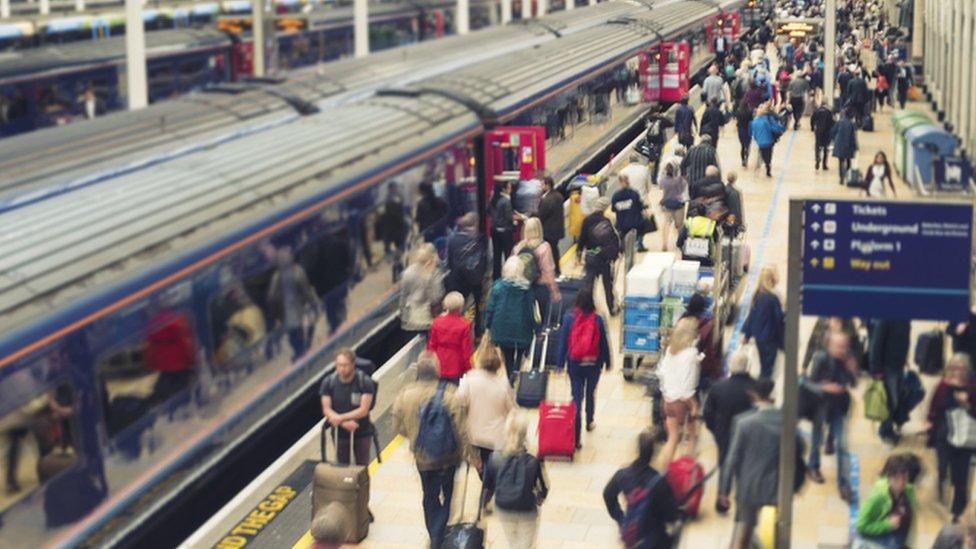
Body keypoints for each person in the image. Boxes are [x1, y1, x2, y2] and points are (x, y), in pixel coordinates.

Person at [392, 352, 478, 548]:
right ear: (437, 371)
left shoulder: (404, 395)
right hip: (449, 458)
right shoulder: (449, 394)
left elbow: (398, 427)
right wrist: (470, 454)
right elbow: (462, 430)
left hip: (423, 457)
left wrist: (415, 436)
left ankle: (434, 535)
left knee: (429, 496)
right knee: (448, 494)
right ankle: (438, 535)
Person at [718, 378, 805, 549]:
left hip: (748, 489)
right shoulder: (789, 424)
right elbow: (800, 452)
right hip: (776, 489)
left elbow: (731, 459)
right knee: (774, 534)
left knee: (742, 533)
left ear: (756, 396)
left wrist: (724, 491)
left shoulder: (744, 424)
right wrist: (796, 485)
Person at [456, 342, 515, 503]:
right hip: (496, 437)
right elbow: (512, 410)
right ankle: (489, 488)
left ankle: (487, 487)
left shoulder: (470, 379)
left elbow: (459, 401)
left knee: (480, 464)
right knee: (492, 464)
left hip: (474, 434)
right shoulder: (503, 383)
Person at [481, 411, 549, 549]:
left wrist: (485, 504)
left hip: (504, 508)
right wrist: (540, 498)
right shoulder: (533, 460)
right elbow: (544, 487)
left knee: (513, 543)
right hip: (526, 509)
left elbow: (488, 486)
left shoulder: (495, 458)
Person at [603, 430, 680, 548]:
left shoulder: (623, 475)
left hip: (633, 538)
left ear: (638, 450)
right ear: (653, 453)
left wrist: (621, 519)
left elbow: (608, 494)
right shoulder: (658, 481)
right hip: (655, 540)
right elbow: (671, 515)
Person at [556, 287, 611, 448]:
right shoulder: (598, 319)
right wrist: (608, 362)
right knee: (590, 392)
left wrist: (560, 364)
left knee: (576, 398)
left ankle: (576, 438)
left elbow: (563, 343)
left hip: (575, 364)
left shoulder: (568, 318)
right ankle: (590, 421)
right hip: (593, 364)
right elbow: (604, 343)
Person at [807, 331, 859, 501]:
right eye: (838, 346)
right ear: (829, 345)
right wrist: (825, 387)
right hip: (821, 406)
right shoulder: (821, 359)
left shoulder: (847, 359)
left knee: (842, 445)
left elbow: (853, 383)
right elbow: (809, 383)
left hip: (839, 407)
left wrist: (853, 371)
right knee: (816, 438)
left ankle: (843, 485)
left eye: (843, 346)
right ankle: (813, 466)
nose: (841, 350)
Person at [703, 348, 755, 514]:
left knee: (725, 465)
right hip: (747, 436)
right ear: (747, 366)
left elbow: (708, 414)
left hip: (724, 434)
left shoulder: (718, 388)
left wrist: (715, 431)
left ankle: (722, 500)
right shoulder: (754, 388)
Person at [927, 353, 976, 521]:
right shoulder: (943, 385)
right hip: (945, 434)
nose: (958, 372)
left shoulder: (972, 386)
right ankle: (941, 482)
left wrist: (968, 405)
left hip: (966, 439)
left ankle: (957, 511)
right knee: (942, 466)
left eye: (962, 368)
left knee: (961, 476)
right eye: (955, 368)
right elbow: (934, 409)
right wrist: (930, 424)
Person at [485, 256, 538, 384]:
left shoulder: (498, 286)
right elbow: (531, 311)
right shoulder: (526, 288)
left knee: (507, 353)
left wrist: (488, 325)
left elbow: (490, 308)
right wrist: (535, 327)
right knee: (520, 350)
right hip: (522, 326)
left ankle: (510, 376)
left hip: (502, 327)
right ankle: (517, 368)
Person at [320, 348, 377, 465]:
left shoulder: (364, 382)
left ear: (353, 364)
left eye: (345, 365)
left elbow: (363, 410)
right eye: (339, 365)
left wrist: (339, 418)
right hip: (340, 433)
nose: (342, 369)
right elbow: (326, 409)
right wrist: (343, 423)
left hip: (362, 431)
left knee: (362, 467)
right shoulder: (328, 382)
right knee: (342, 466)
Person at [658, 317, 701, 467]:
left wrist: (666, 394)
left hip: (668, 401)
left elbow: (662, 374)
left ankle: (665, 473)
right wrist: (693, 404)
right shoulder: (691, 353)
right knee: (691, 438)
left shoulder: (671, 350)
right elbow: (688, 385)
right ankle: (687, 474)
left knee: (672, 439)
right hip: (683, 403)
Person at [854, 454, 919, 548]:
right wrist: (886, 525)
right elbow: (860, 525)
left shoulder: (909, 491)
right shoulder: (879, 496)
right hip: (880, 543)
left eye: (904, 478)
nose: (901, 483)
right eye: (897, 478)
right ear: (889, 477)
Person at [267, 247, 321, 361]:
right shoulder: (297, 271)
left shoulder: (277, 276)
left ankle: (299, 352)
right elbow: (306, 290)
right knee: (297, 331)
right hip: (295, 309)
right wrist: (313, 304)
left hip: (287, 312)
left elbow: (271, 297)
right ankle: (301, 352)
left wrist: (275, 313)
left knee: (293, 333)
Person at [868, 319, 911, 443]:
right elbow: (876, 345)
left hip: (898, 367)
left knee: (895, 400)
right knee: (889, 401)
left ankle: (890, 427)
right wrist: (875, 369)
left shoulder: (905, 319)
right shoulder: (884, 319)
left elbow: (904, 342)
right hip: (887, 368)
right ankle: (885, 431)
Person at [512, 217, 561, 321]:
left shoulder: (518, 248)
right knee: (541, 318)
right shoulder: (545, 247)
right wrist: (554, 291)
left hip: (523, 287)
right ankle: (539, 335)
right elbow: (549, 271)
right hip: (540, 287)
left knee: (525, 319)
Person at [445, 212, 488, 330]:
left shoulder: (452, 239)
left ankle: (457, 329)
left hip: (458, 279)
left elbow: (448, 260)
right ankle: (479, 330)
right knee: (478, 305)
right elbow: (483, 259)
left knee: (458, 307)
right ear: (475, 224)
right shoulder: (479, 239)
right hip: (475, 279)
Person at [577, 197, 620, 316]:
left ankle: (587, 309)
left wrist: (579, 254)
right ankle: (612, 308)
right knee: (608, 285)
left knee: (589, 285)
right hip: (605, 259)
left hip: (591, 258)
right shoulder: (607, 221)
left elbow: (582, 240)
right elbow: (614, 241)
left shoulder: (587, 220)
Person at [741, 265, 784, 380]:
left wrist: (747, 335)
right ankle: (763, 393)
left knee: (763, 367)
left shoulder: (757, 296)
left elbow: (752, 316)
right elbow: (779, 319)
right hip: (770, 339)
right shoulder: (773, 298)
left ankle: (761, 390)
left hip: (759, 339)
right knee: (768, 370)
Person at [399, 243, 444, 341]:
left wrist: (402, 313)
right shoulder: (435, 273)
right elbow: (436, 297)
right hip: (427, 320)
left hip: (411, 319)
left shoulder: (408, 272)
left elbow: (403, 295)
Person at [427, 292, 474, 384]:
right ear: (460, 307)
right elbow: (466, 351)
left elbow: (431, 346)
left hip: (438, 364)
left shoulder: (436, 322)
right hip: (456, 366)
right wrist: (469, 368)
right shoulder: (464, 325)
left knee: (439, 391)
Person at [490, 180, 520, 280]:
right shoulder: (506, 201)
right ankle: (509, 276)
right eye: (509, 187)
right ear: (504, 189)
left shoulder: (493, 199)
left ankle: (496, 277)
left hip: (494, 231)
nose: (511, 189)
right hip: (505, 232)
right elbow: (509, 217)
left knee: (497, 256)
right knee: (508, 255)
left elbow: (488, 211)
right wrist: (517, 218)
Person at [611, 174, 648, 253]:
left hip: (622, 223)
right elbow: (640, 206)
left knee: (622, 233)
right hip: (636, 222)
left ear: (620, 182)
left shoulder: (615, 196)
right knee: (643, 227)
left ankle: (622, 247)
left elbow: (613, 209)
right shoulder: (634, 193)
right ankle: (639, 244)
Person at [537, 177, 565, 277]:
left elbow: (541, 215)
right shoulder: (558, 196)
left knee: (550, 251)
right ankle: (556, 270)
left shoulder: (548, 199)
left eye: (542, 184)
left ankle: (553, 271)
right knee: (554, 250)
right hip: (557, 230)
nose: (540, 186)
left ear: (548, 185)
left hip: (549, 230)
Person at [749, 103, 786, 178]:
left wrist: (756, 138)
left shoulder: (754, 121)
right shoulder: (768, 119)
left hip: (760, 142)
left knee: (762, 153)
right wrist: (782, 128)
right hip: (769, 141)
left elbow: (753, 132)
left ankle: (759, 167)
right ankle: (768, 167)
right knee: (768, 155)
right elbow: (774, 128)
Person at [658, 162, 688, 252]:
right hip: (679, 204)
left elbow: (660, 187)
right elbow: (684, 188)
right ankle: (680, 243)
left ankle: (664, 243)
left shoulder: (663, 180)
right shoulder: (680, 180)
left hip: (667, 204)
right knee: (679, 226)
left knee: (666, 223)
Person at [642, 112, 673, 185]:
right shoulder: (661, 122)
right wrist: (664, 117)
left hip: (649, 144)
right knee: (657, 162)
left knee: (650, 160)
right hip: (658, 144)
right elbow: (671, 123)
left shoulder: (649, 120)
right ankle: (654, 179)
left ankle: (647, 177)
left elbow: (644, 119)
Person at [830, 109, 859, 186]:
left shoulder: (839, 122)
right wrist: (855, 147)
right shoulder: (852, 124)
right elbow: (853, 137)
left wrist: (834, 139)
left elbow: (832, 131)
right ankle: (847, 175)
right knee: (848, 161)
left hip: (839, 145)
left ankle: (841, 178)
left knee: (840, 162)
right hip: (848, 145)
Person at [810, 101, 835, 171]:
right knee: (826, 149)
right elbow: (832, 122)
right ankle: (824, 165)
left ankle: (817, 159)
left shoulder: (817, 111)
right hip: (827, 132)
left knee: (817, 147)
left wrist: (812, 128)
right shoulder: (829, 112)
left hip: (818, 132)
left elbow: (812, 119)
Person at [734, 96, 753, 168]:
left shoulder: (738, 111)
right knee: (748, 146)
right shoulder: (749, 111)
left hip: (741, 129)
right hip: (748, 129)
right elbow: (751, 120)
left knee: (742, 146)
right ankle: (746, 159)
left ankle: (742, 160)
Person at [723, 171, 744, 237]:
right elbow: (738, 208)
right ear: (735, 179)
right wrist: (740, 223)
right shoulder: (736, 192)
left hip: (725, 218)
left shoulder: (723, 189)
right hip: (732, 218)